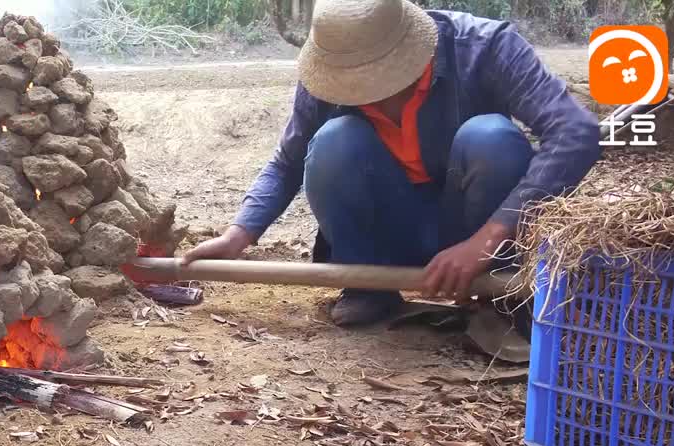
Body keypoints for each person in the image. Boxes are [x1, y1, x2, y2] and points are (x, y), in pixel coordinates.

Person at [183, 0, 602, 326]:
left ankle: (499, 298)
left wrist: (484, 243)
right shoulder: (332, 66)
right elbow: (287, 162)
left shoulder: (486, 47)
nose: (363, 91)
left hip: (475, 232)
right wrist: (238, 236)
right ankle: (370, 289)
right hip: (386, 235)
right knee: (334, 142)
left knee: (490, 137)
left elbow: (575, 132)